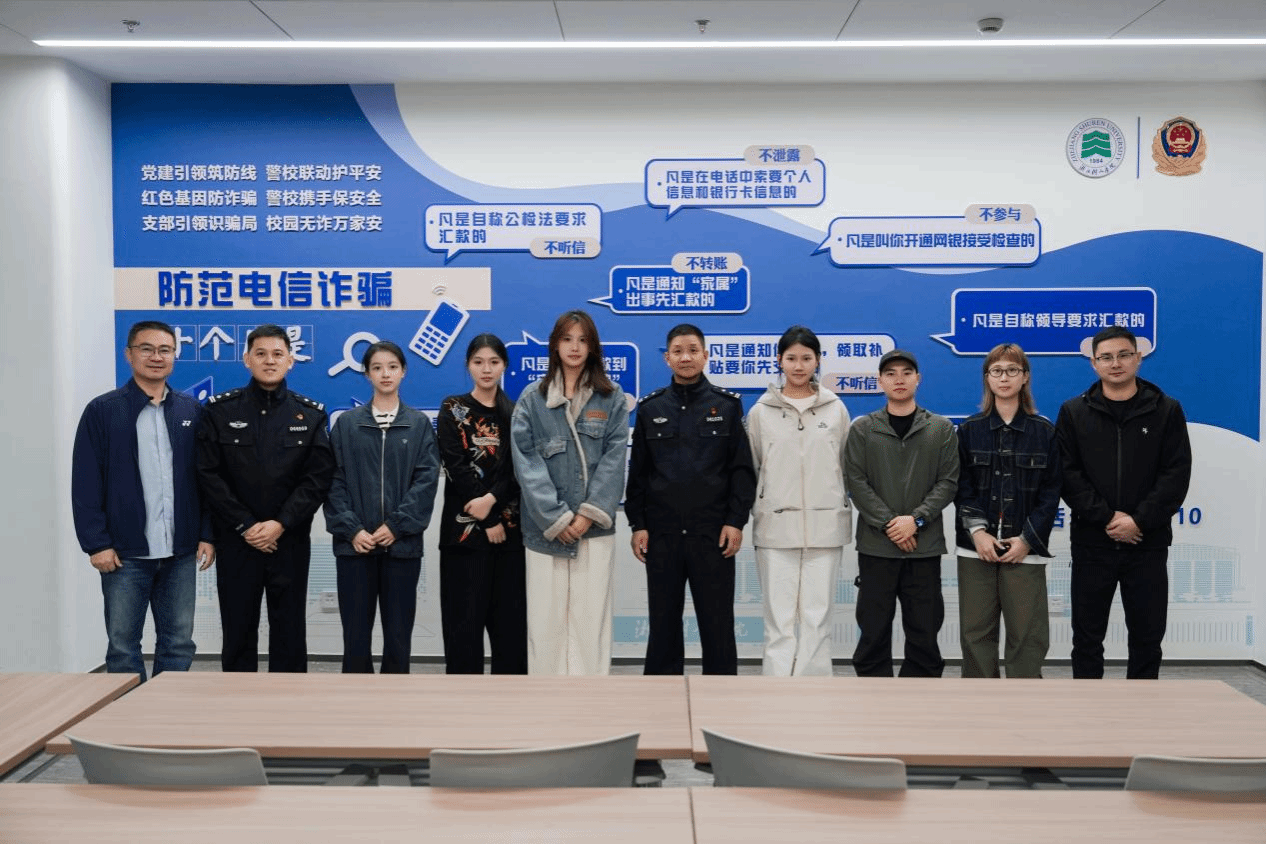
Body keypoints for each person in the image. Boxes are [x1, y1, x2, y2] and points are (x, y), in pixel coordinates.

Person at [71, 320, 216, 681]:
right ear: (129, 354)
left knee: (178, 643)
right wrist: (96, 543)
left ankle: (168, 711)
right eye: (146, 349)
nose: (156, 357)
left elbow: (206, 480)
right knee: (123, 645)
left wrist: (206, 533)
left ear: (174, 356)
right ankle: (126, 713)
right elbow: (85, 482)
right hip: (125, 553)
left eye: (165, 350)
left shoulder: (191, 411)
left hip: (180, 551)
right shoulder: (104, 411)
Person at [197, 324, 335, 672]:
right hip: (236, 539)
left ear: (290, 360)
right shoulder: (219, 411)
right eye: (261, 354)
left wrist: (280, 523)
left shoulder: (310, 414)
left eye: (277, 354)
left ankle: (288, 702)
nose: (269, 361)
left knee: (289, 631)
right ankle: (238, 700)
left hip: (288, 541)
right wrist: (245, 525)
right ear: (247, 359)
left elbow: (316, 479)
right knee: (237, 629)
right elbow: (208, 474)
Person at [1056, 326, 1191, 679]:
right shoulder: (1073, 412)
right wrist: (1107, 518)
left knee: (1147, 638)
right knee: (1087, 639)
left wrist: (1138, 521)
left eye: (1123, 355)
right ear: (1094, 363)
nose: (1115, 363)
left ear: (1138, 358)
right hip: (1092, 543)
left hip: (1147, 543)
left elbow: (1176, 474)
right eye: (1106, 357)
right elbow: (1068, 474)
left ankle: (1143, 708)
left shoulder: (1166, 410)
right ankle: (1087, 705)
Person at [626, 323, 755, 675]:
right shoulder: (651, 408)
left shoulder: (727, 406)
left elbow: (742, 471)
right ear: (667, 358)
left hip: (713, 534)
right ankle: (660, 697)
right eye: (678, 351)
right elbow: (638, 475)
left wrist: (735, 521)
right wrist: (638, 525)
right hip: (662, 535)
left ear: (705, 355)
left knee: (718, 624)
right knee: (663, 623)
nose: (686, 357)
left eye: (693, 350)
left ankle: (721, 696)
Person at [510, 310, 628, 675]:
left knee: (590, 622)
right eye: (567, 339)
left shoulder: (611, 398)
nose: (574, 347)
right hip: (544, 530)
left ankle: (590, 698)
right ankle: (546, 698)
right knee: (545, 622)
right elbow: (526, 462)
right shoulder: (532, 398)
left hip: (593, 530)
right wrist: (557, 518)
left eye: (582, 340)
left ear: (592, 347)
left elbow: (614, 460)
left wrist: (587, 514)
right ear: (555, 346)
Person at [323, 340, 439, 674]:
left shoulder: (418, 424)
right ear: (367, 374)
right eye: (377, 368)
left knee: (399, 638)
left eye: (392, 367)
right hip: (355, 548)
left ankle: (396, 700)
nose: (385, 374)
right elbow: (333, 481)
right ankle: (356, 702)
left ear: (403, 372)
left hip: (401, 548)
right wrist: (353, 530)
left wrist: (396, 526)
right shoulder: (347, 424)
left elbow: (426, 481)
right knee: (355, 639)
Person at [844, 349, 958, 677]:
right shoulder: (863, 429)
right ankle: (872, 696)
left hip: (924, 547)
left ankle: (920, 698)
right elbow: (856, 481)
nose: (899, 379)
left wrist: (916, 520)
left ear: (918, 379)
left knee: (924, 631)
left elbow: (948, 482)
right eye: (891, 373)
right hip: (876, 547)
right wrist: (891, 525)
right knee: (873, 630)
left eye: (907, 372)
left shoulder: (940, 429)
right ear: (880, 381)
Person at [746, 326, 851, 676]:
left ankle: (814, 692)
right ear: (779, 360)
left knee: (817, 617)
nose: (799, 365)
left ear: (817, 360)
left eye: (806, 358)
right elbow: (753, 467)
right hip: (776, 529)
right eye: (791, 358)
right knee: (779, 620)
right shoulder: (761, 412)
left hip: (825, 528)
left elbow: (846, 465)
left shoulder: (835, 409)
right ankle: (776, 690)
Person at [954, 343, 1061, 678]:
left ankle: (1024, 703)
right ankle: (980, 703)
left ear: (1025, 377)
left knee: (1027, 637)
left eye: (1012, 370)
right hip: (976, 549)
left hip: (1025, 549)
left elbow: (1051, 493)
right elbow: (962, 487)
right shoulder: (969, 430)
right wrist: (978, 533)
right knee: (976, 634)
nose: (1004, 378)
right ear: (987, 377)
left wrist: (1027, 539)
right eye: (996, 371)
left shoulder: (1044, 431)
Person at [437, 334, 527, 674]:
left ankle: (510, 703)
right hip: (463, 539)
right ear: (468, 366)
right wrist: (488, 520)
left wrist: (491, 503)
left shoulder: (518, 414)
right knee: (463, 632)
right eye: (478, 362)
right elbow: (456, 465)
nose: (486, 369)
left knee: (510, 635)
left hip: (509, 537)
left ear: (504, 366)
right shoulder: (452, 408)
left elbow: (520, 470)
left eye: (493, 362)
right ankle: (463, 703)